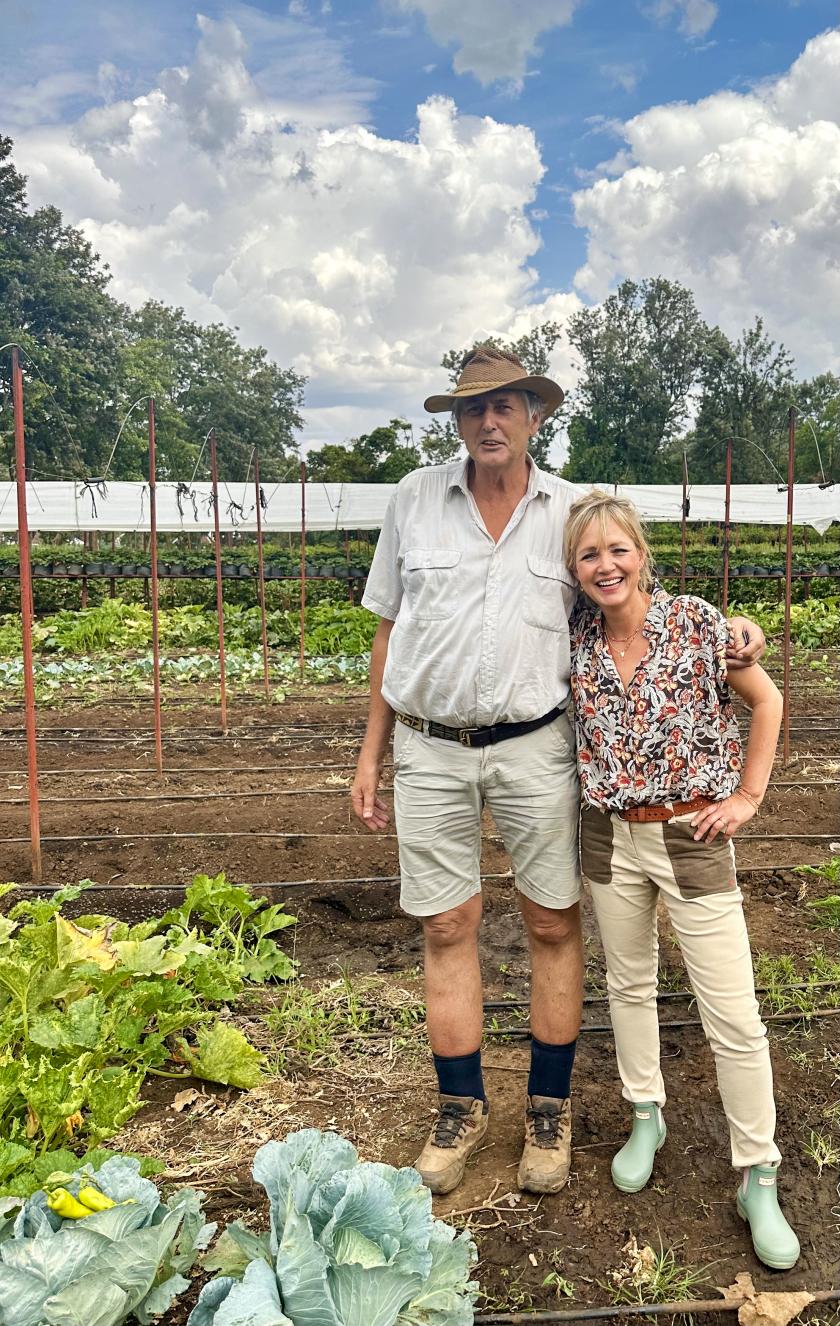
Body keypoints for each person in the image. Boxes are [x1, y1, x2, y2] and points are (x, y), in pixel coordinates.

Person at [351, 344, 765, 1199]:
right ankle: (460, 1107)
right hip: (429, 745)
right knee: (445, 924)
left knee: (549, 923)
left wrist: (736, 628)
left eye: (507, 405)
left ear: (535, 416)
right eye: (474, 408)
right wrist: (371, 754)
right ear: (457, 422)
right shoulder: (415, 499)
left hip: (540, 744)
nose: (490, 421)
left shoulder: (569, 508)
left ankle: (549, 1106)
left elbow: (628, 590)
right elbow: (387, 628)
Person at [564, 488, 799, 1270]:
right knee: (628, 985)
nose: (606, 566)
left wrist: (748, 796)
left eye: (618, 549)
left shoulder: (699, 624)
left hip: (691, 835)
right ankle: (646, 1113)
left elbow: (764, 702)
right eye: (590, 554)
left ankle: (757, 1174)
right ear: (574, 567)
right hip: (608, 836)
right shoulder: (573, 636)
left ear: (642, 554)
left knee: (732, 1013)